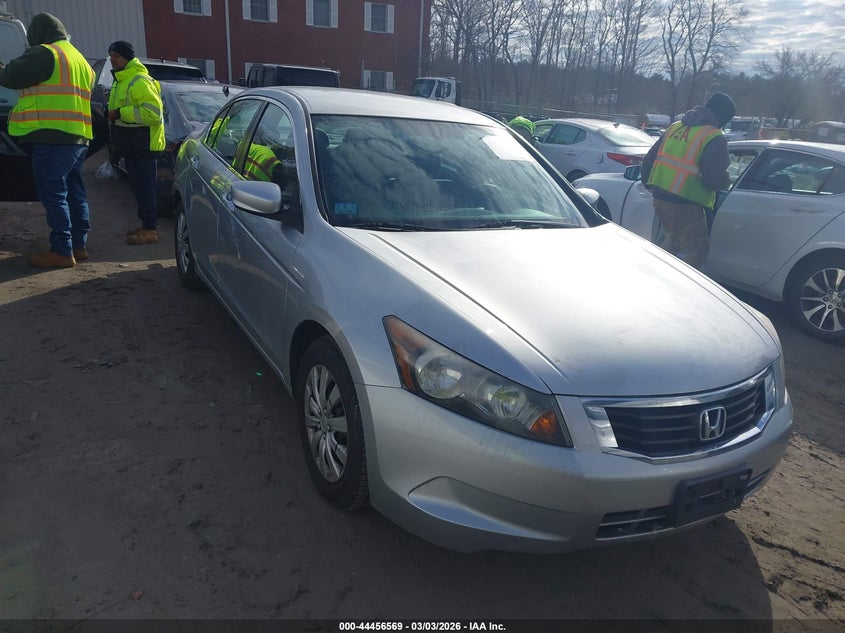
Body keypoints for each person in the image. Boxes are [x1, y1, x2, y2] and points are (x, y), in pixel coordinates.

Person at [0, 13, 95, 268]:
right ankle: (78, 245)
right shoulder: (79, 59)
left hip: (51, 135)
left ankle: (62, 251)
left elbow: (9, 77)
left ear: (39, 33)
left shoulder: (45, 53)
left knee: (54, 194)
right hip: (78, 136)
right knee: (74, 192)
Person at [640, 92, 736, 270]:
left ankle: (655, 275)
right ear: (723, 117)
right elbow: (714, 178)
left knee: (674, 241)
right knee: (696, 250)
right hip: (687, 203)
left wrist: (650, 185)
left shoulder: (675, 127)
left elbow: (649, 160)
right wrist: (726, 183)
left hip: (661, 198)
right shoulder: (714, 136)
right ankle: (680, 291)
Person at [107, 40, 165, 245]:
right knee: (139, 188)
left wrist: (121, 113)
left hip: (144, 146)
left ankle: (150, 229)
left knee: (145, 188)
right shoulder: (122, 80)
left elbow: (154, 113)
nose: (112, 60)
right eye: (111, 56)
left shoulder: (138, 80)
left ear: (126, 58)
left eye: (116, 56)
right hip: (133, 145)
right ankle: (145, 225)